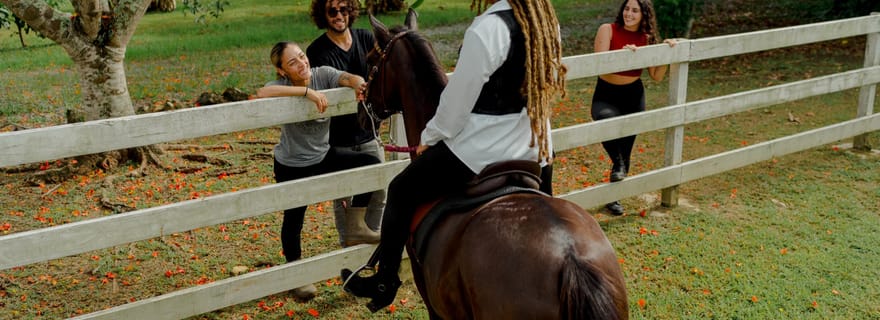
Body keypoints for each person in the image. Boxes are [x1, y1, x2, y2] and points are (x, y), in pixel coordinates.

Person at [341, 0, 567, 312]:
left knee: (401, 190)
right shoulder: (544, 22)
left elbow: (456, 105)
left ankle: (384, 280)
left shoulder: (487, 29)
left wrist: (428, 138)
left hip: (480, 152)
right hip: (534, 148)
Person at [255, 41, 379, 300]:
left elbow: (344, 77)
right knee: (294, 217)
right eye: (293, 62)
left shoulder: (321, 73)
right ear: (282, 71)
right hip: (292, 164)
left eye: (302, 56)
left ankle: (356, 225)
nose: (302, 64)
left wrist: (356, 82)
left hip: (323, 155)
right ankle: (297, 277)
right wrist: (305, 93)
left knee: (370, 166)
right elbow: (261, 93)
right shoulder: (286, 86)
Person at [307, 0, 386, 247]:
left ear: (351, 11)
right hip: (337, 140)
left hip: (369, 133)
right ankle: (349, 249)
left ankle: (371, 243)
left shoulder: (365, 38)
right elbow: (329, 78)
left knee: (379, 191)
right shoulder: (317, 50)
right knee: (343, 200)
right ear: (323, 14)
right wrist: (352, 82)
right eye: (332, 11)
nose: (338, 15)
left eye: (343, 9)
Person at [592, 0, 676, 215]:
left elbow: (656, 77)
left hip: (633, 96)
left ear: (644, 15)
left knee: (626, 148)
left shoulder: (646, 39)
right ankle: (617, 163)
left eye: (635, 10)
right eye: (627, 9)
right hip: (607, 94)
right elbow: (600, 67)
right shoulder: (607, 30)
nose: (629, 13)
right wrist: (624, 56)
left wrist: (667, 54)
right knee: (605, 123)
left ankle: (614, 198)